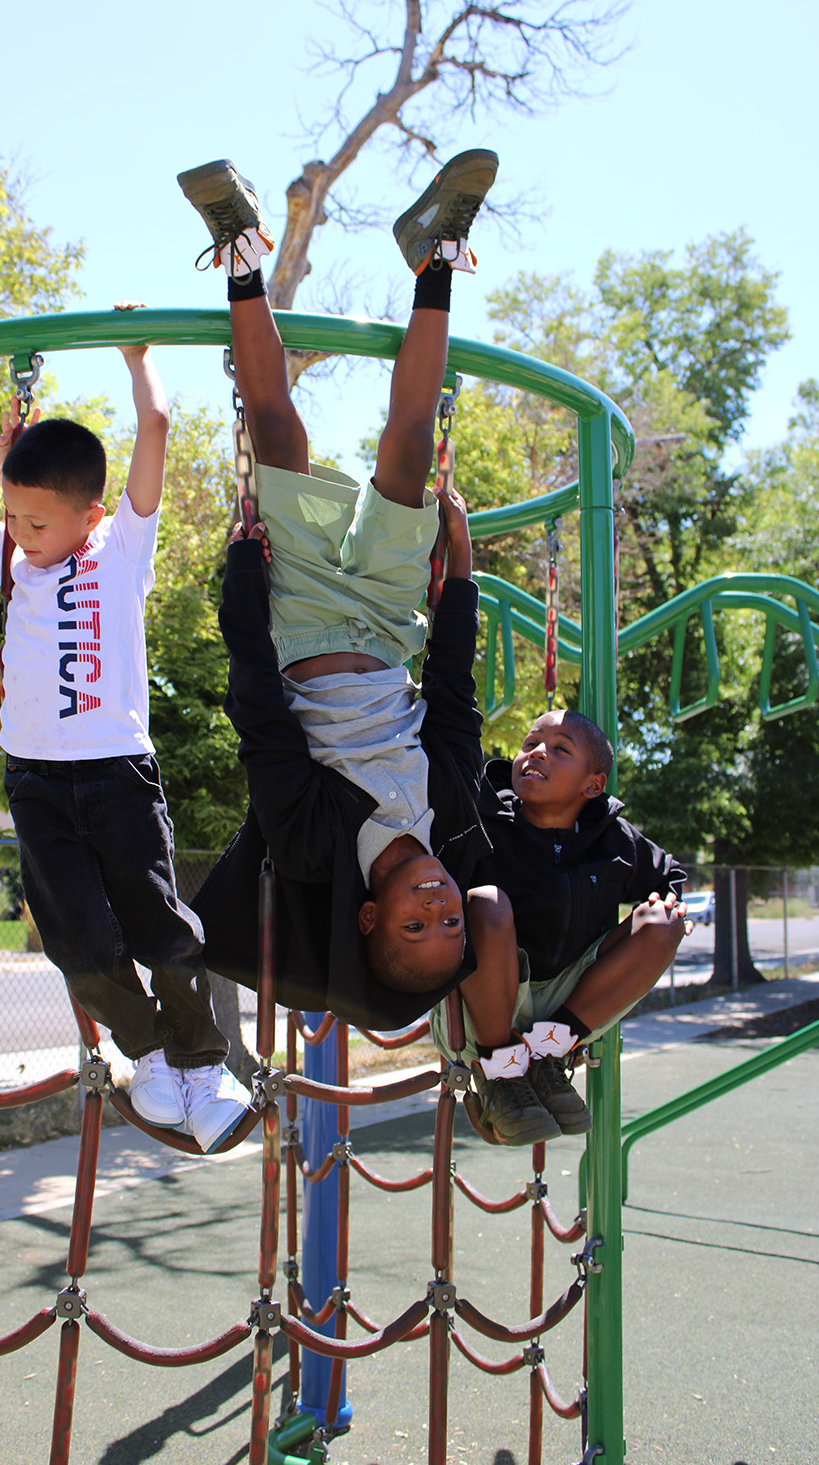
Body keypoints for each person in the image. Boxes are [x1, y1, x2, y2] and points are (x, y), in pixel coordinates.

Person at [0, 339, 251, 1152]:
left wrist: (137, 360)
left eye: (36, 519)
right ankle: (153, 1055)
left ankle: (206, 1068)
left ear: (89, 517)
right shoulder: (9, 558)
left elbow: (157, 423)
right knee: (79, 945)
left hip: (117, 775)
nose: (19, 533)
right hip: (36, 781)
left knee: (161, 929)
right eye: (13, 516)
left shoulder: (122, 549)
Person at [179, 151, 499, 1029]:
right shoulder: (452, 818)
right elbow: (454, 701)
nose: (438, 901)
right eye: (448, 920)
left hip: (303, 621)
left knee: (278, 428)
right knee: (408, 450)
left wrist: (243, 581)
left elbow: (261, 717)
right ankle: (435, 259)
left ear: (369, 918)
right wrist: (459, 580)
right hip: (394, 623)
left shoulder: (313, 844)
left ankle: (242, 251)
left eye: (413, 922)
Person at [431, 708, 690, 1145]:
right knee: (487, 903)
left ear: (592, 785)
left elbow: (671, 878)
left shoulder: (614, 840)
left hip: (566, 1005)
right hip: (484, 1000)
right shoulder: (481, 818)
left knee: (665, 922)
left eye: (559, 749)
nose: (537, 754)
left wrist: (670, 902)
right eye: (530, 744)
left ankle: (549, 1055)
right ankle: (501, 1075)